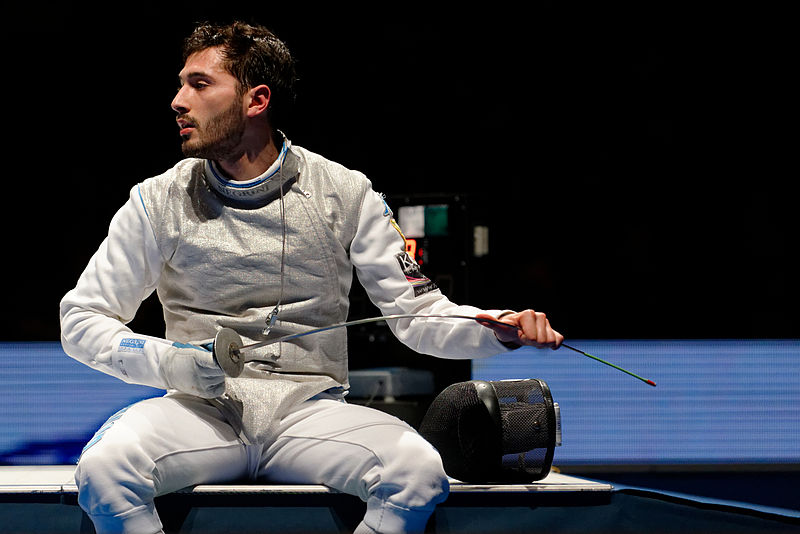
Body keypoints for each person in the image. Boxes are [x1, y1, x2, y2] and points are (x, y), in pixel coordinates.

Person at [60, 21, 563, 534]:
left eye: (199, 83)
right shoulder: (157, 199)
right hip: (198, 413)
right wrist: (171, 364)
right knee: (104, 471)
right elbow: (81, 319)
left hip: (307, 413)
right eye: (181, 83)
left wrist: (496, 324)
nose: (177, 100)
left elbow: (414, 315)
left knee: (415, 472)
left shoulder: (344, 192)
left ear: (257, 100)